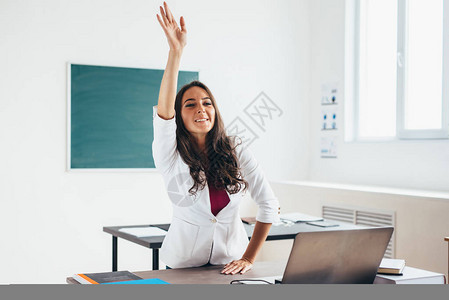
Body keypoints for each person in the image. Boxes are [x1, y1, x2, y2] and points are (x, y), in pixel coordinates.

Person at [153, 2, 279, 275]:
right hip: (182, 267)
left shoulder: (235, 150)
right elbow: (163, 114)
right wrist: (176, 51)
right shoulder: (169, 154)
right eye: (190, 104)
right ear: (179, 116)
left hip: (228, 266)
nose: (201, 108)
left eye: (207, 103)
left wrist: (249, 258)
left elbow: (269, 204)